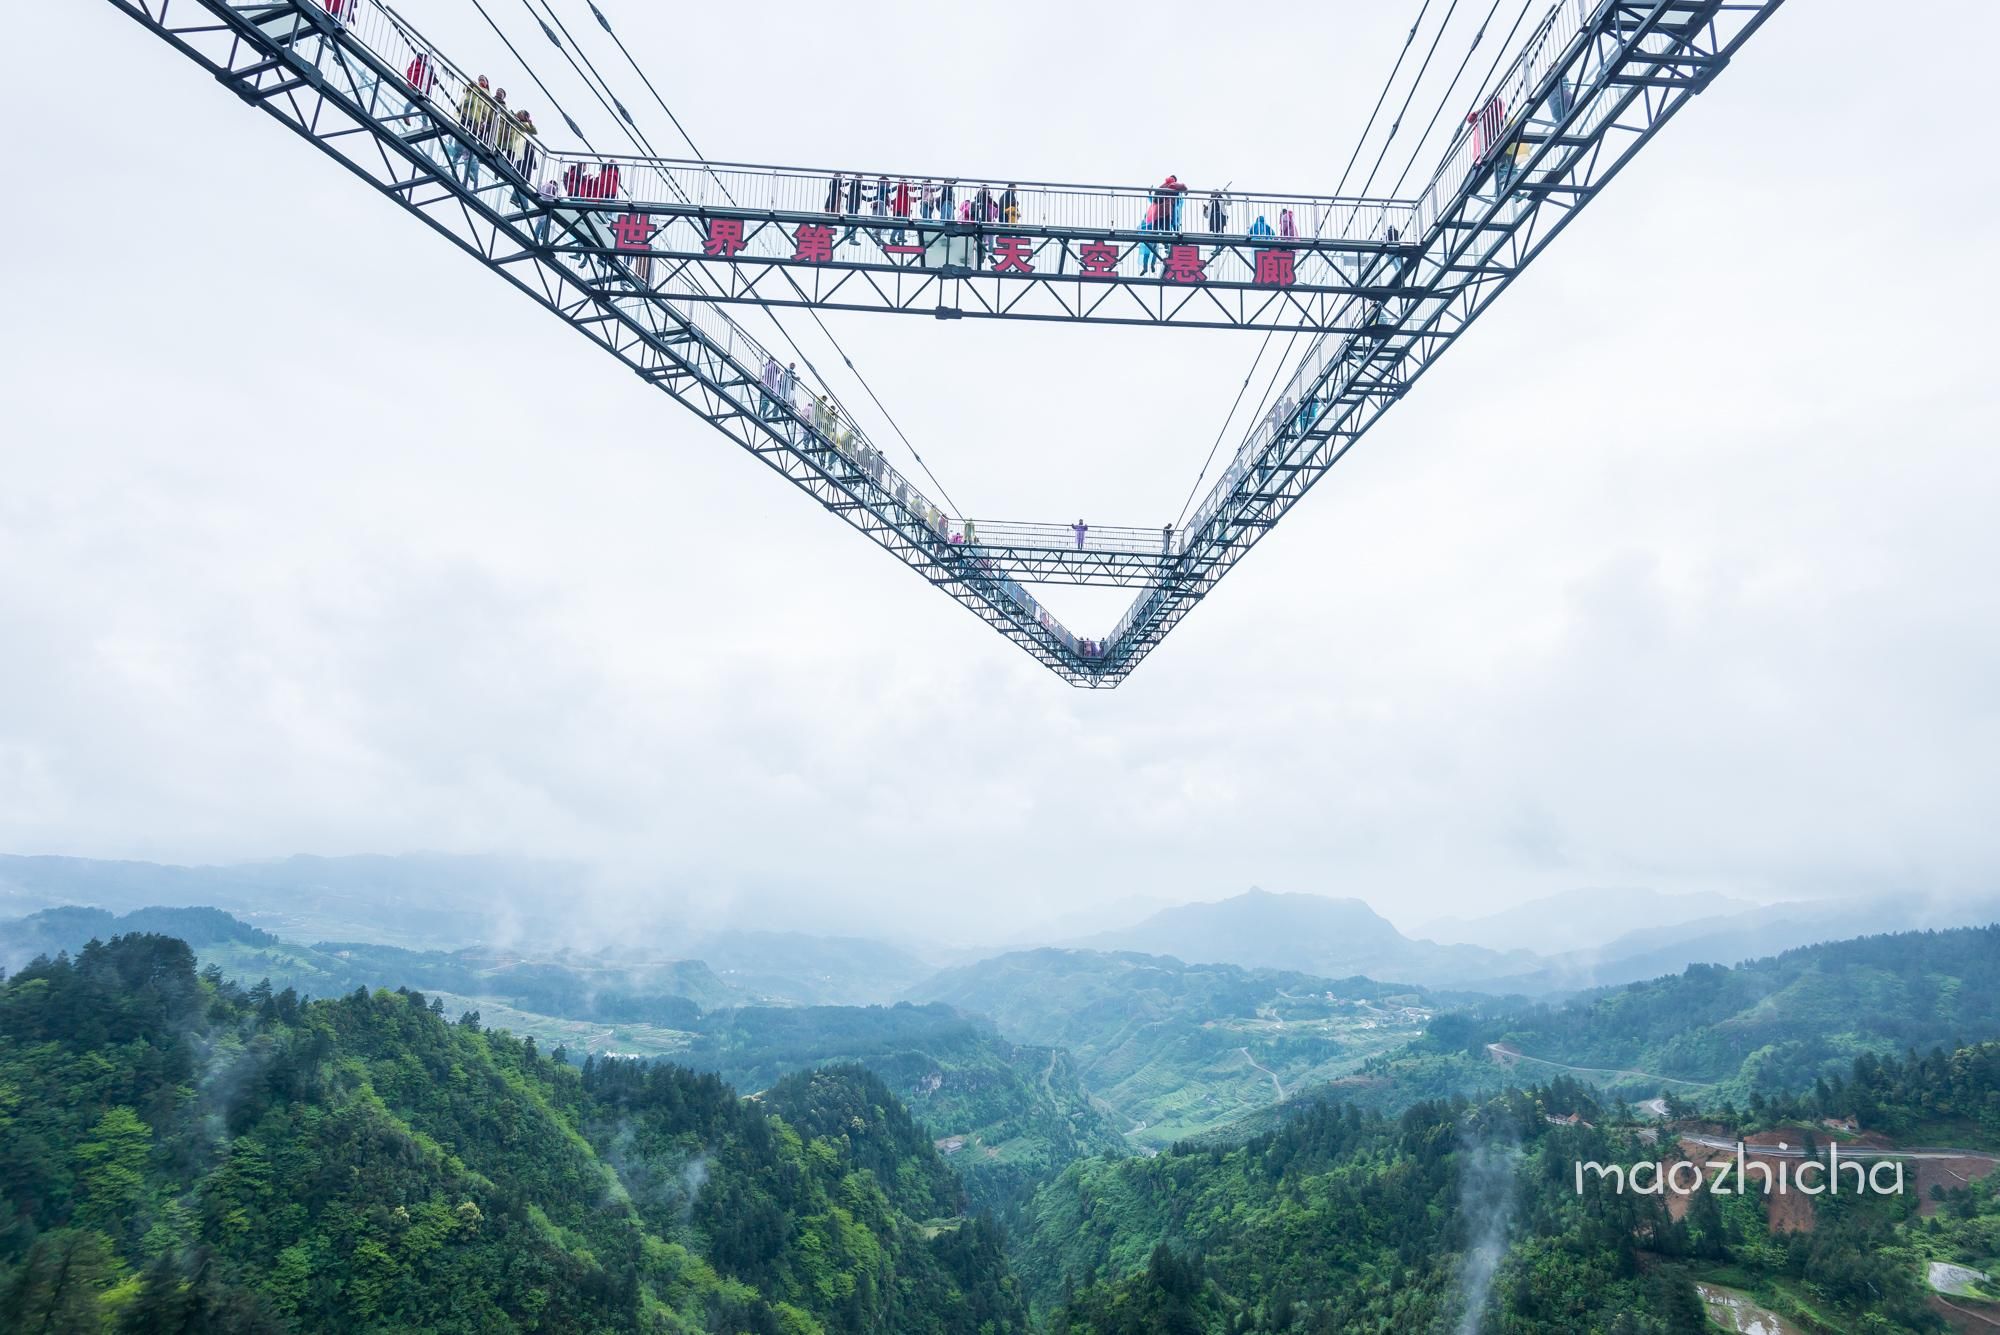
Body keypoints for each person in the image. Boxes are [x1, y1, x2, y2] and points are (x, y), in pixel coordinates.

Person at [514, 109, 539, 178]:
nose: (520, 113)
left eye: (522, 113)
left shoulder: (525, 124)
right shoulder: (513, 117)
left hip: (519, 143)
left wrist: (530, 123)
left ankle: (533, 164)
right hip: (512, 142)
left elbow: (535, 132)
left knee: (528, 149)